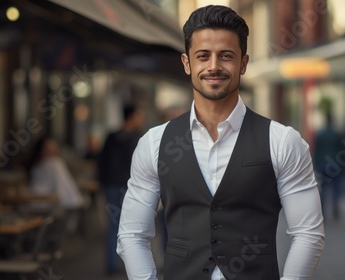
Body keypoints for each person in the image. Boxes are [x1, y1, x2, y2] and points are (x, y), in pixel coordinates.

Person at [117, 5, 324, 280]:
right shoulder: (154, 144)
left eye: (225, 56)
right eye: (203, 56)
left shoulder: (282, 141)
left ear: (243, 63)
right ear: (187, 63)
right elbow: (131, 235)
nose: (213, 66)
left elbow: (308, 234)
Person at [98, 105, 145, 275]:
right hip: (129, 186)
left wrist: (102, 183)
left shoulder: (112, 136)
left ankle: (113, 264)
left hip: (111, 186)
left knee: (113, 225)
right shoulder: (137, 138)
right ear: (132, 116)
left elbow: (101, 161)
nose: (142, 119)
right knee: (132, 226)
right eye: (140, 115)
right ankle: (130, 264)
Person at [313, 112, 345, 220]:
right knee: (336, 187)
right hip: (335, 164)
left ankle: (323, 209)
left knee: (323, 187)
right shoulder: (338, 134)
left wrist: (316, 165)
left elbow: (316, 151)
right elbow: (342, 150)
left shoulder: (320, 134)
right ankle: (334, 204)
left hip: (323, 164)